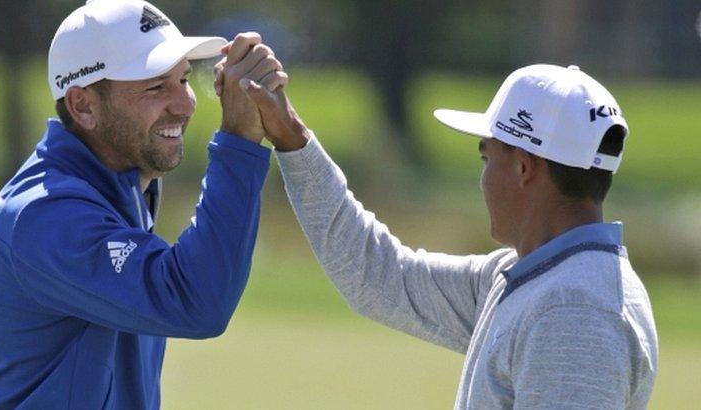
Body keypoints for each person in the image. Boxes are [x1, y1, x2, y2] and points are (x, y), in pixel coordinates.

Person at [218, 58, 659, 407]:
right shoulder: (527, 275)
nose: (482, 178)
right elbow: (379, 275)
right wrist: (290, 136)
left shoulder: (574, 310)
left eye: (487, 157)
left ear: (524, 168)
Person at [0, 0, 286, 407]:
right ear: (83, 105)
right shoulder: (43, 215)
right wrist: (239, 143)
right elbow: (197, 301)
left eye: (184, 79)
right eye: (155, 86)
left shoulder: (121, 188)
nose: (186, 104)